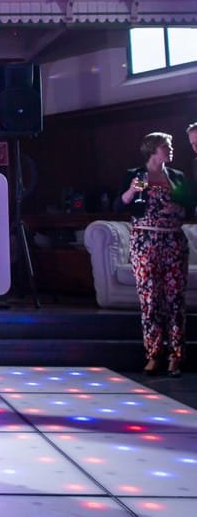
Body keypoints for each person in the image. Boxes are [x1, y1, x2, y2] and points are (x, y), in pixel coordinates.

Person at [113, 132, 194, 378]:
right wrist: (131, 191)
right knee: (150, 300)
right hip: (145, 242)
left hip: (173, 242)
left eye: (170, 146)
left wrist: (178, 205)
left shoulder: (177, 176)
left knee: (175, 299)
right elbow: (120, 205)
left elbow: (190, 206)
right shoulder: (137, 175)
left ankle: (176, 356)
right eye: (165, 146)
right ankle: (153, 354)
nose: (171, 149)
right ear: (152, 150)